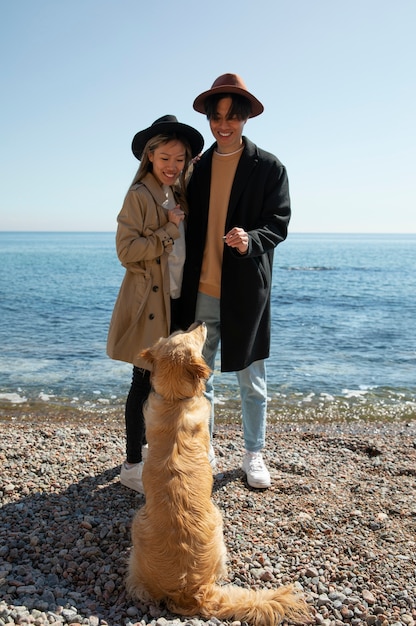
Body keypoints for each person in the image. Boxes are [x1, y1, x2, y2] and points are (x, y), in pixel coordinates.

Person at [180, 74, 291, 489]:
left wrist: (251, 239)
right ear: (209, 119)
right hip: (202, 291)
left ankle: (253, 454)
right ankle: (203, 452)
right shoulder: (198, 167)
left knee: (252, 382)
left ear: (245, 119)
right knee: (199, 381)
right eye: (216, 117)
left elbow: (278, 224)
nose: (223, 125)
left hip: (246, 293)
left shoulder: (270, 167)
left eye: (232, 117)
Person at [107, 115, 204, 494]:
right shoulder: (140, 195)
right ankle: (133, 464)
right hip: (150, 303)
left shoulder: (174, 193)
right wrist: (166, 229)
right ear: (149, 157)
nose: (172, 166)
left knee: (166, 384)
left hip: (175, 300)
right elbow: (126, 251)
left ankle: (156, 453)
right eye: (165, 157)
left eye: (180, 159)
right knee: (143, 382)